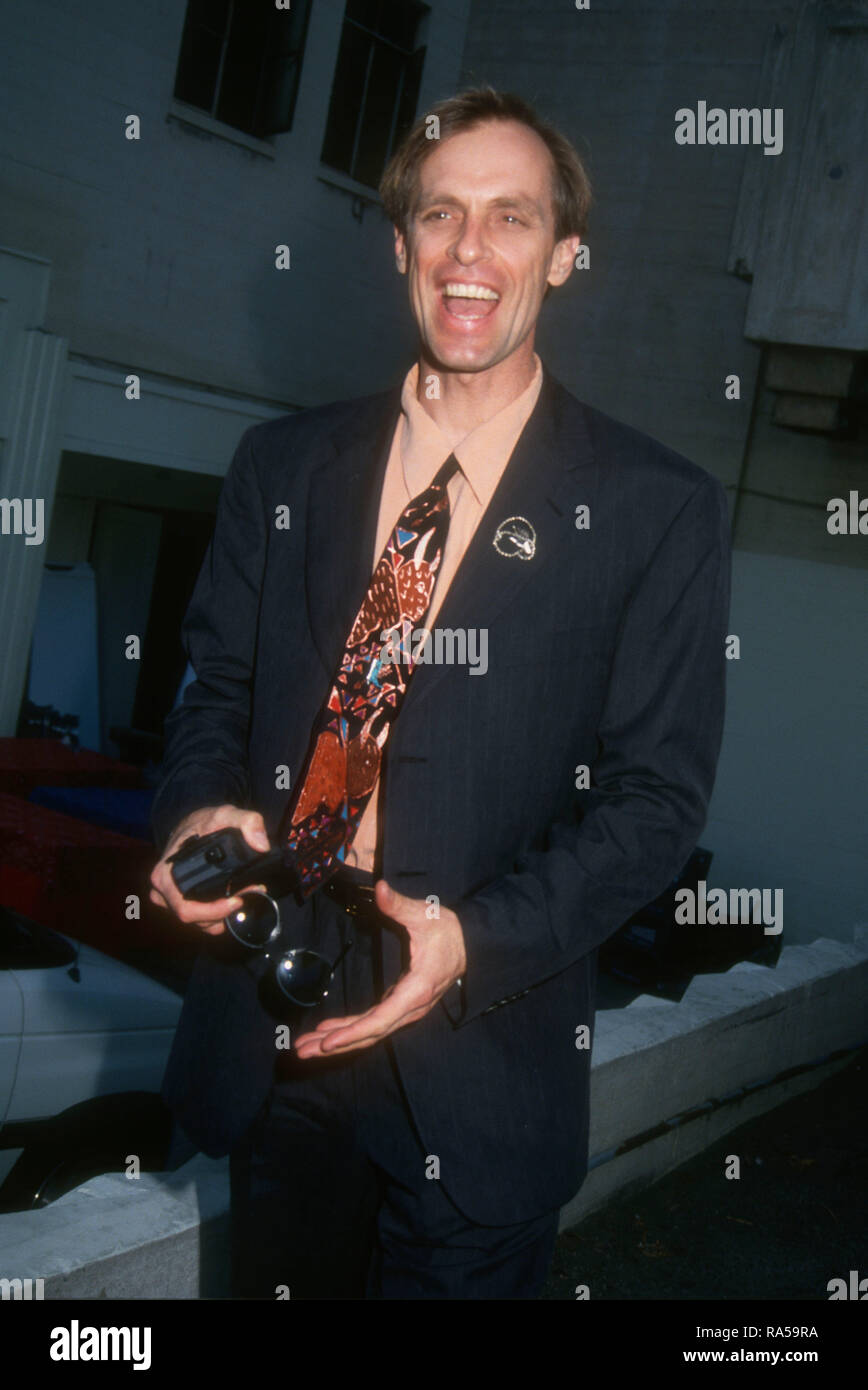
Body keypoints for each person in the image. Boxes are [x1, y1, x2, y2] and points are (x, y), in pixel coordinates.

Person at [148, 88, 731, 1300]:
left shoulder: (652, 508)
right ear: (400, 245)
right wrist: (202, 809)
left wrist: (470, 939)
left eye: (510, 219)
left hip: (479, 1058)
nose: (471, 253)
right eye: (441, 216)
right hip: (276, 1030)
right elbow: (216, 689)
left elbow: (651, 802)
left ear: (564, 255)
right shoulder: (283, 464)